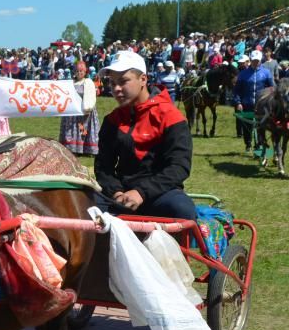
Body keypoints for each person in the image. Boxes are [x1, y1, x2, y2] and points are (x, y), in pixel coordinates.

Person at [95, 50, 196, 221]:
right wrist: (116, 192)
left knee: (182, 210)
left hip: (161, 193)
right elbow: (103, 167)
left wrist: (141, 193)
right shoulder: (112, 120)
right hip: (120, 194)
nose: (116, 89)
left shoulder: (170, 116)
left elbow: (179, 167)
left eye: (123, 81)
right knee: (81, 207)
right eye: (112, 83)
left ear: (143, 79)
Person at [233, 49, 275, 154]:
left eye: (258, 61)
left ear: (260, 60)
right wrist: (238, 102)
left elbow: (272, 88)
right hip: (246, 104)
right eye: (254, 60)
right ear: (250, 60)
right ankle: (248, 144)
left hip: (262, 106)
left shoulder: (266, 73)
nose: (256, 62)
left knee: (261, 126)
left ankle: (259, 147)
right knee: (247, 126)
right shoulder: (243, 74)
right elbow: (237, 90)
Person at [58, 61, 98, 154]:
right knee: (72, 130)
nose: (79, 73)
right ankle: (73, 148)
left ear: (85, 72)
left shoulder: (88, 82)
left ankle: (87, 148)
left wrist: (88, 107)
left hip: (84, 111)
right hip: (73, 111)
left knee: (83, 129)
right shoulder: (71, 83)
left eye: (81, 71)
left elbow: (91, 96)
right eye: (77, 71)